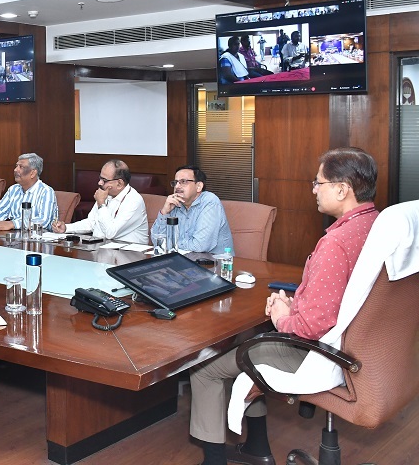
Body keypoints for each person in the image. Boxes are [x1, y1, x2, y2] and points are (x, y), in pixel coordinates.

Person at [189, 148, 379, 465]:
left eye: (319, 183)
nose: (314, 190)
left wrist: (282, 317)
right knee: (245, 342)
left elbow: (309, 328)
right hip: (359, 348)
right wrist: (298, 306)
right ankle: (257, 446)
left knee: (205, 369)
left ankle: (214, 461)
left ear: (342, 189)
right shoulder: (374, 226)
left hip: (317, 353)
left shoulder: (336, 243)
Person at [51, 159, 148, 244]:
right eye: (100, 178)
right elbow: (91, 223)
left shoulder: (134, 201)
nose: (99, 183)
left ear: (119, 183)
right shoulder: (107, 193)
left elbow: (110, 233)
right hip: (102, 248)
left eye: (104, 180)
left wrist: (101, 204)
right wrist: (66, 228)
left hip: (128, 254)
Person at [150, 166, 233, 255]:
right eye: (175, 182)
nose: (177, 186)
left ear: (198, 186)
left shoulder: (210, 202)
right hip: (182, 259)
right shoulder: (175, 203)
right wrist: (164, 212)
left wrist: (170, 244)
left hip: (214, 261)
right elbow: (157, 241)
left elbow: (199, 246)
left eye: (183, 182)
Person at [0, 153, 58, 232]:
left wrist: (13, 224)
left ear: (32, 173)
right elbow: (1, 210)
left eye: (21, 167)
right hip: (16, 235)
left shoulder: (46, 191)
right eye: (16, 166)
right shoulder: (13, 189)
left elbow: (43, 221)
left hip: (37, 237)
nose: (15, 170)